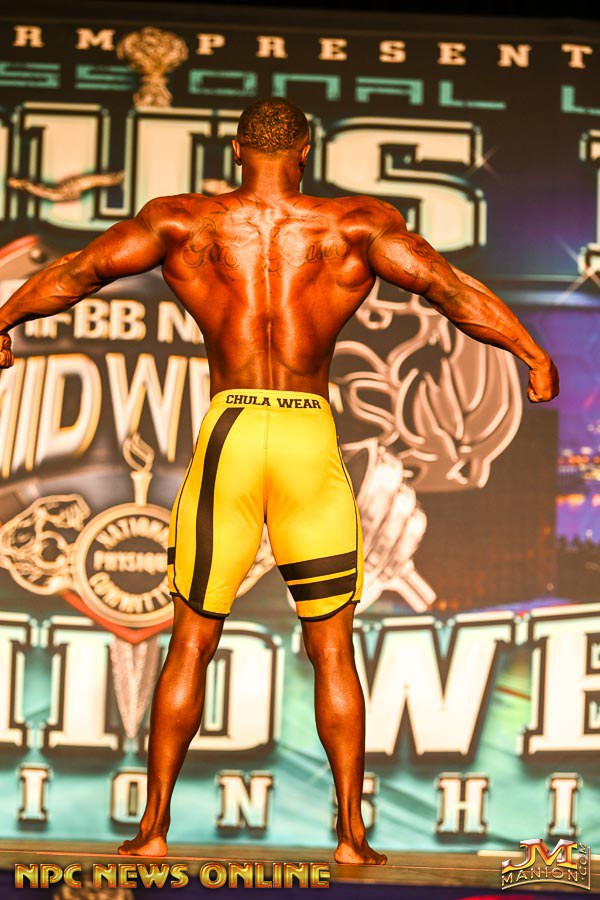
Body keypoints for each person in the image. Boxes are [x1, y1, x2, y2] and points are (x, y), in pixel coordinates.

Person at [0, 98, 559, 865]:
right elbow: (447, 287)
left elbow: (78, 272)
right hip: (306, 436)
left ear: (236, 150)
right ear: (304, 150)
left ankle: (153, 831)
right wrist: (530, 351)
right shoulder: (353, 226)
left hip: (231, 434)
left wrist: (3, 320)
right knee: (332, 649)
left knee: (191, 641)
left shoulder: (183, 222)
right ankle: (352, 838)